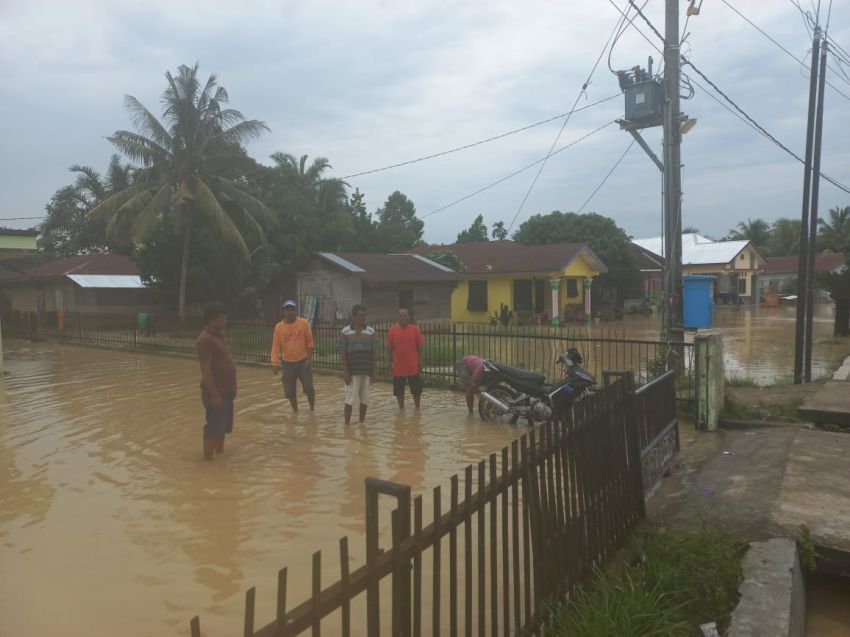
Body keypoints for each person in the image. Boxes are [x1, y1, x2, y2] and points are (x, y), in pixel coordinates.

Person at [196, 301, 237, 460]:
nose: (226, 321)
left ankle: (219, 457)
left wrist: (233, 388)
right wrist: (214, 395)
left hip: (226, 391)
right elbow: (205, 368)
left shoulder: (220, 336)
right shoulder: (205, 340)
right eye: (223, 319)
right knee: (213, 427)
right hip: (216, 392)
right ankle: (208, 463)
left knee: (222, 427)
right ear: (213, 320)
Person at [271, 300, 316, 412]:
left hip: (303, 361)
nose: (290, 312)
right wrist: (274, 363)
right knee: (290, 391)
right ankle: (295, 412)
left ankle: (312, 410)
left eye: (292, 309)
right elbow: (275, 346)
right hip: (287, 363)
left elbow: (310, 342)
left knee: (309, 388)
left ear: (295, 310)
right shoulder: (278, 327)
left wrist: (309, 359)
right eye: (287, 310)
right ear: (284, 312)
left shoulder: (304, 323)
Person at [339, 305, 377, 425]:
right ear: (354, 316)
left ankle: (361, 423)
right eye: (359, 315)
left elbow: (374, 352)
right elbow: (342, 352)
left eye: (364, 315)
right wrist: (345, 371)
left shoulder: (371, 332)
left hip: (366, 370)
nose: (362, 318)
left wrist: (374, 372)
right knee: (350, 399)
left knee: (365, 399)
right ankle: (347, 425)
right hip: (352, 371)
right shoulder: (345, 331)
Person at [387, 308, 425, 410]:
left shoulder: (415, 329)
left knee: (416, 390)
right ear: (398, 317)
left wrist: (421, 362)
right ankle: (401, 409)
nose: (403, 317)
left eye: (405, 315)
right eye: (401, 316)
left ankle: (417, 408)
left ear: (408, 317)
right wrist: (389, 361)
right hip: (398, 367)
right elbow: (390, 348)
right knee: (399, 391)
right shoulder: (392, 331)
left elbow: (420, 348)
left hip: (413, 365)